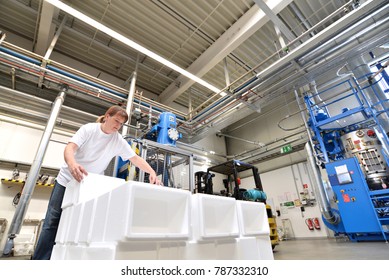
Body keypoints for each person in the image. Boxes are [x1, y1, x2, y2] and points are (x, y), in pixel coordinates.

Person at [32, 105, 160, 260]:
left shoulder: (117, 140)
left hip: (89, 186)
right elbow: (69, 148)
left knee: (81, 224)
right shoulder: (89, 130)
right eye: (116, 121)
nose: (118, 126)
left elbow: (135, 159)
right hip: (67, 180)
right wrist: (72, 165)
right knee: (52, 222)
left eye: (121, 124)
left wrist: (152, 171)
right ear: (107, 116)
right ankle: (40, 261)